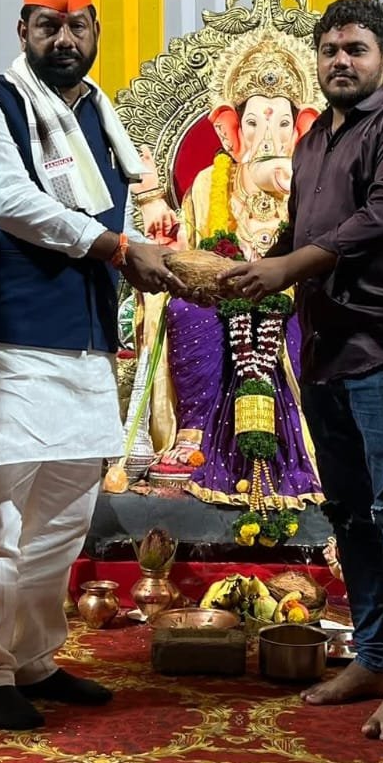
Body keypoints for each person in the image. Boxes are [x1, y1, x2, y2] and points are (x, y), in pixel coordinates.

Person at [0, 0, 181, 731]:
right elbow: (11, 202)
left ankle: (34, 658)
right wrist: (118, 248)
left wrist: (164, 256)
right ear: (23, 32)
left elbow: (113, 215)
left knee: (64, 518)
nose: (64, 39)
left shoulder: (98, 116)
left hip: (84, 343)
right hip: (9, 340)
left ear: (96, 31)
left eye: (77, 26)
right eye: (48, 25)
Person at [222, 0, 383, 742]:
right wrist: (243, 269)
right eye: (330, 50)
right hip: (324, 352)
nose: (341, 61)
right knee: (350, 512)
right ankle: (373, 657)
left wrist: (288, 266)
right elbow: (301, 228)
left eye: (356, 49)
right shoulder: (316, 140)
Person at [132, 26, 325, 510]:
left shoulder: (312, 185)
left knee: (311, 316)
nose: (268, 136)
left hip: (291, 298)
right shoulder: (208, 183)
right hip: (219, 297)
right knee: (183, 310)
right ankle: (193, 433)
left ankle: (314, 444)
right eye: (254, 123)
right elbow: (190, 254)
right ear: (230, 130)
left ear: (301, 129)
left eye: (282, 123)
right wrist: (170, 237)